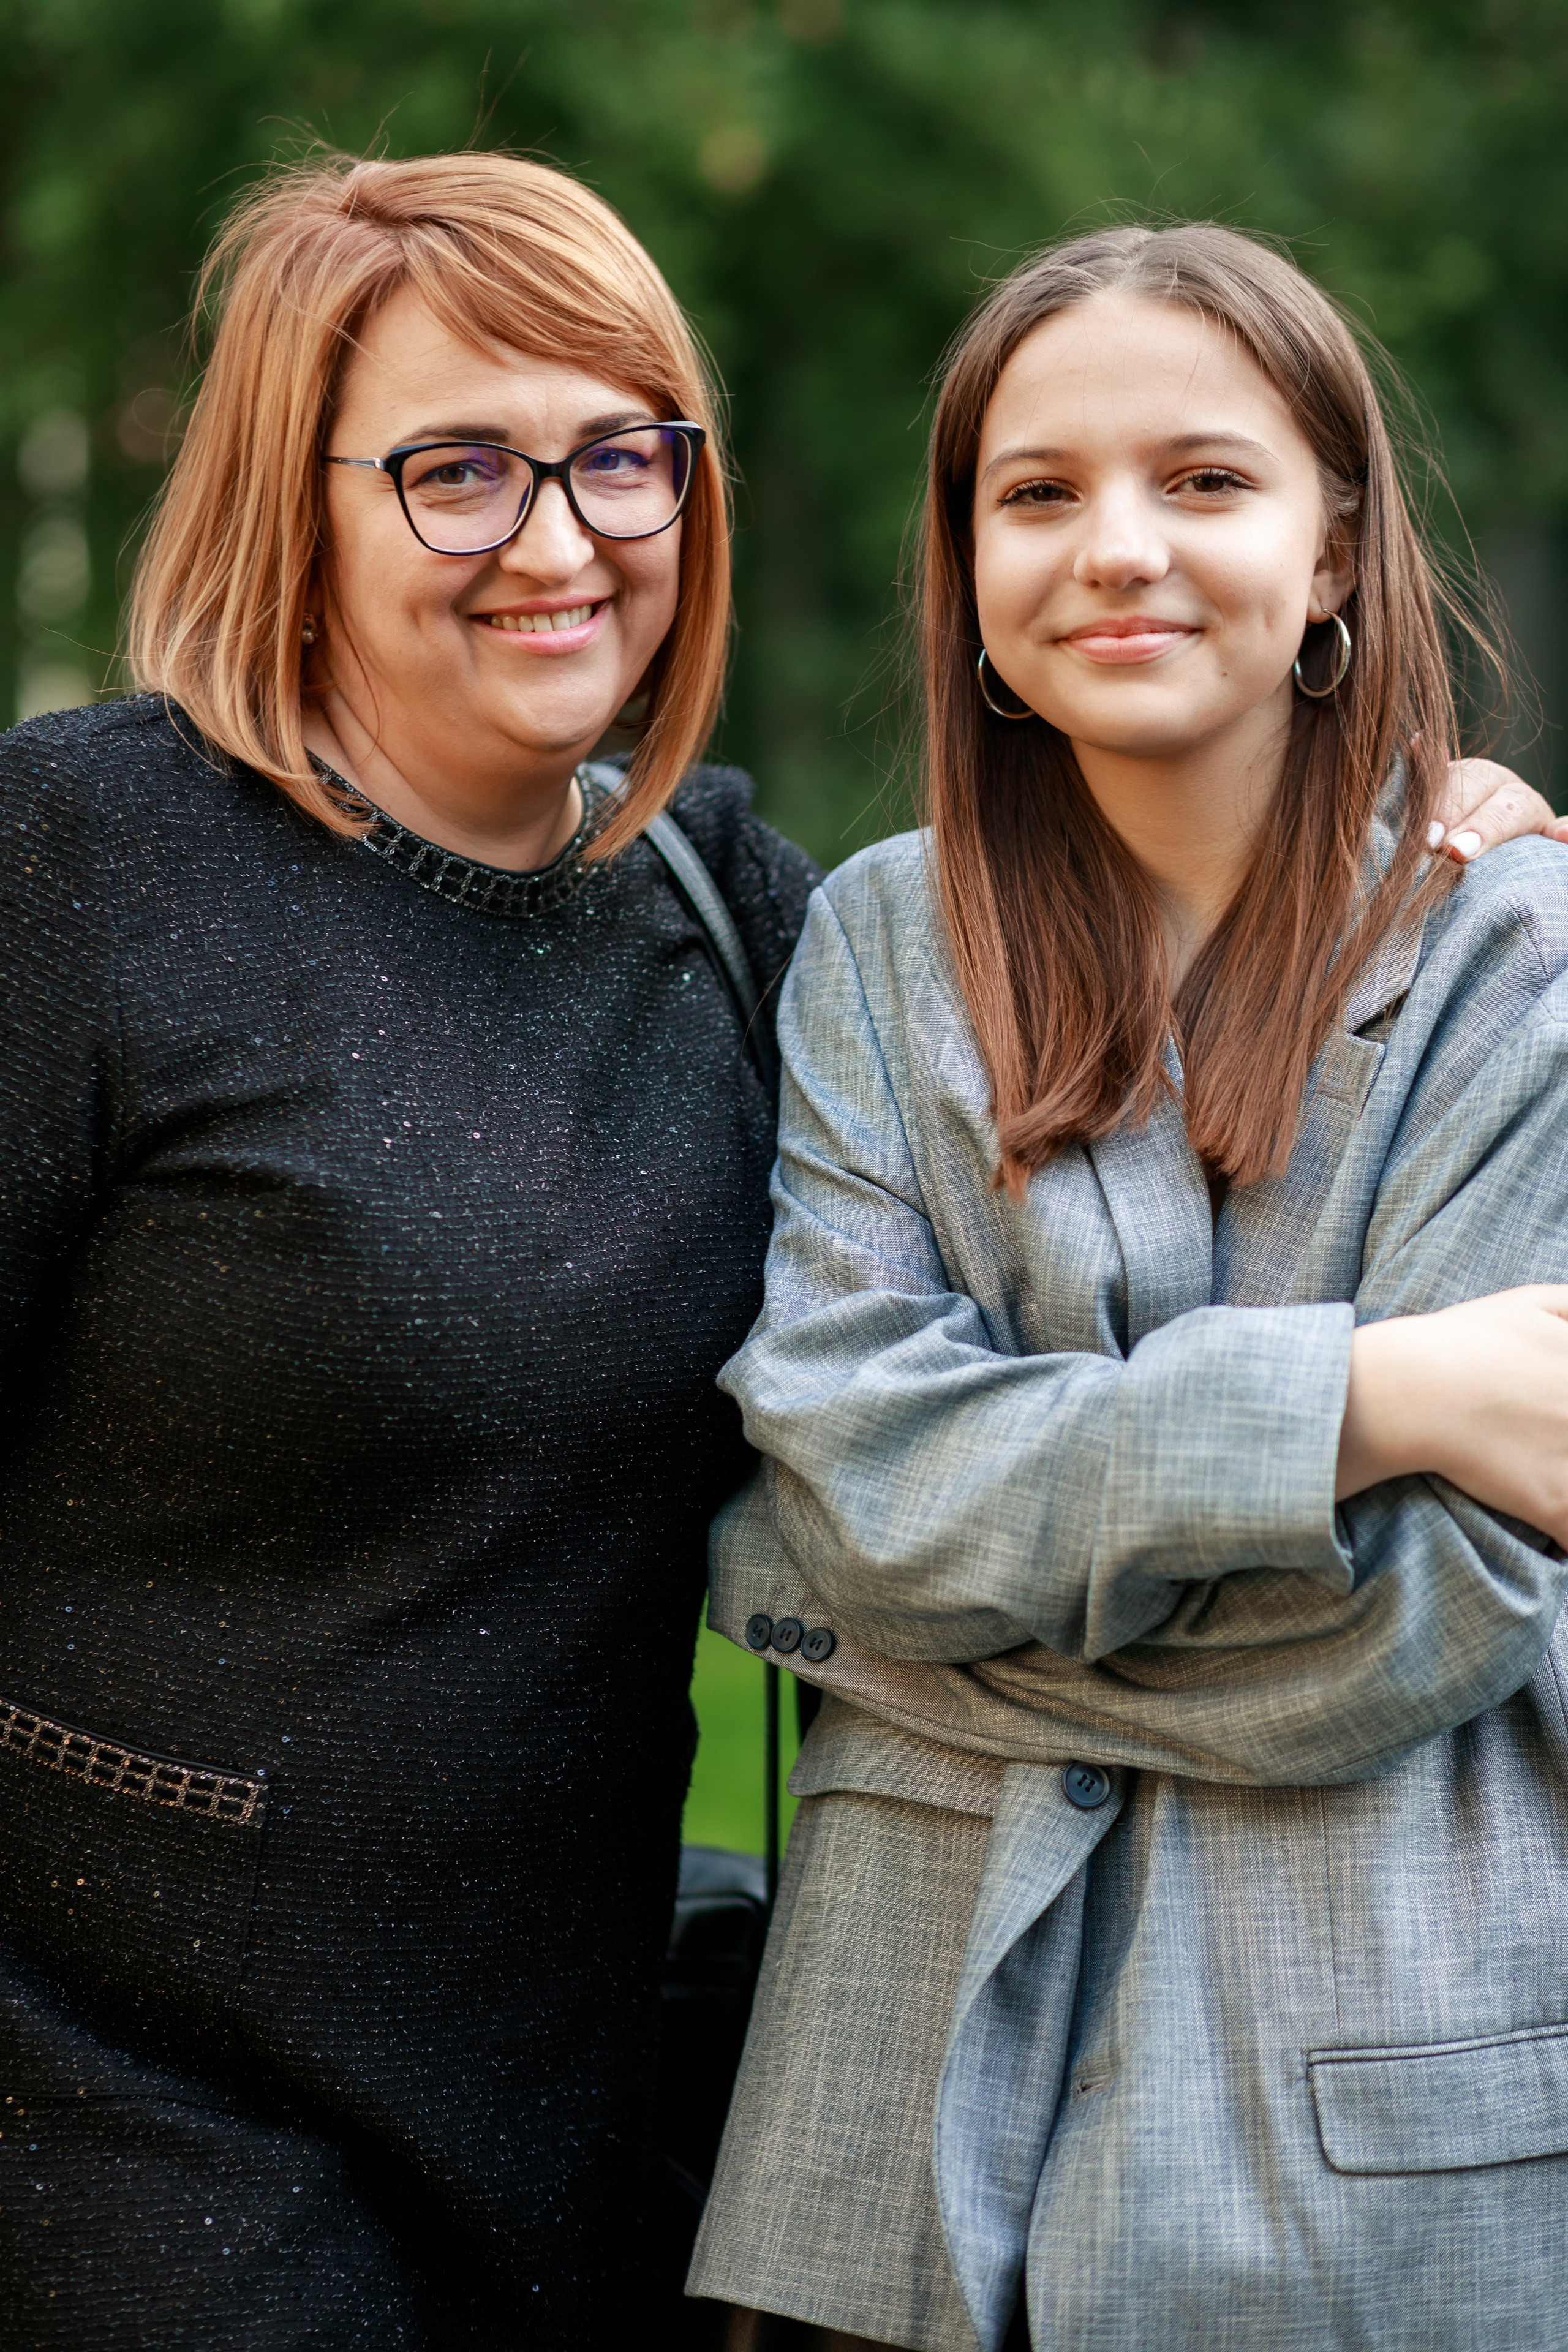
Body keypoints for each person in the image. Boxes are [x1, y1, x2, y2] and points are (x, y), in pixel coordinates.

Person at [689, 222, 1568, 2352]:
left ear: (1339, 545)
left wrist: (922, 1641)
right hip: (877, 2162)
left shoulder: (1510, 960)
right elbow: (853, 1475)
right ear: (968, 565)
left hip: (1363, 2152)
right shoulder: (879, 945)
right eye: (1039, 492)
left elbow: (1451, 1605)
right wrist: (1371, 1403)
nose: (1117, 551)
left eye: (1204, 481)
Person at [0, 150, 820, 2350]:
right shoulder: (79, 863)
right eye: (458, 469)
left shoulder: (733, 910)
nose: (556, 545)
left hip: (565, 2128)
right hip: (113, 2125)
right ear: (304, 495)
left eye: (616, 458)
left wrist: (1418, 844)